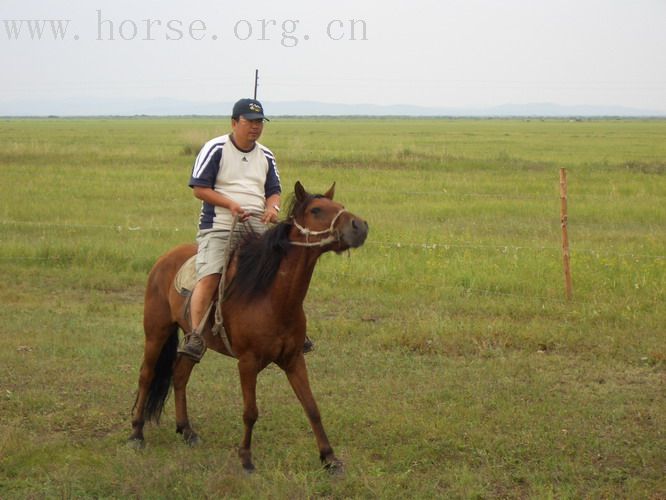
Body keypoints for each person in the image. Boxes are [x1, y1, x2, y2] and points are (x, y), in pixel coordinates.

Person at [179, 98, 282, 362]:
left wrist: (273, 209)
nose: (255, 127)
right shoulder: (215, 148)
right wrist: (231, 205)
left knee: (282, 273)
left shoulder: (266, 155)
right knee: (211, 274)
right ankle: (196, 335)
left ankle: (288, 330)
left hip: (257, 226)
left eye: (259, 122)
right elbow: (199, 189)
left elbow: (273, 192)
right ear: (234, 122)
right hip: (220, 225)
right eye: (249, 121)